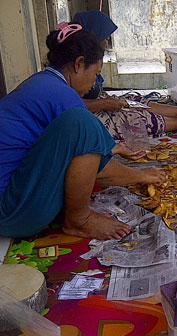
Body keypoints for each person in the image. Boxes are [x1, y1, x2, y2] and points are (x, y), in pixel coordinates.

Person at [0, 22, 166, 240]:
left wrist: (113, 149)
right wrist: (143, 176)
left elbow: (62, 149)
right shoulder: (61, 95)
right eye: (96, 73)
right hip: (13, 212)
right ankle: (79, 220)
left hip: (14, 200)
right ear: (79, 64)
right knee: (82, 122)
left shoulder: (42, 83)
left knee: (84, 125)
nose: (95, 82)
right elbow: (101, 170)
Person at [73, 11, 177, 141]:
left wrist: (107, 101)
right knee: (127, 117)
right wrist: (104, 103)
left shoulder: (85, 62)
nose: (107, 43)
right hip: (86, 117)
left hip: (94, 106)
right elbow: (72, 105)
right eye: (105, 38)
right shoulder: (74, 71)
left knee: (133, 99)